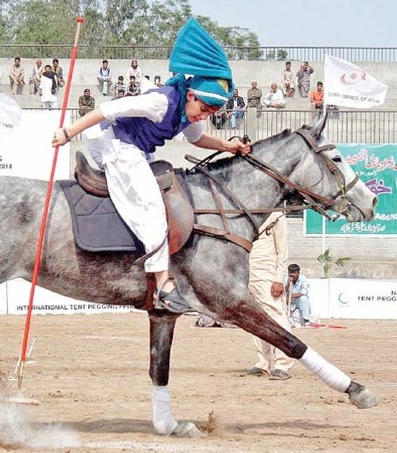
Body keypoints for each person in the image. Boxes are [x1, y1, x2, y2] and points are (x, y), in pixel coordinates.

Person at [51, 18, 250, 313]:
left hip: (138, 151)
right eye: (204, 109)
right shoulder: (161, 102)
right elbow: (106, 110)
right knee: (153, 205)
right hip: (118, 145)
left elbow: (197, 139)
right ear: (192, 95)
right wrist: (68, 133)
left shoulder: (188, 112)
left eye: (211, 112)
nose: (204, 115)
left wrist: (228, 146)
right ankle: (164, 284)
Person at [247, 213, 294, 381]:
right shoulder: (245, 211)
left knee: (277, 316)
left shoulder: (276, 215)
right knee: (254, 319)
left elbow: (282, 251)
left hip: (267, 273)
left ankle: (283, 364)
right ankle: (263, 363)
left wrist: (278, 279)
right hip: (247, 272)